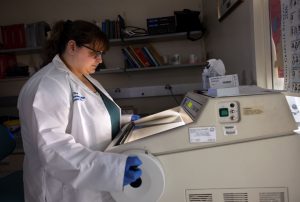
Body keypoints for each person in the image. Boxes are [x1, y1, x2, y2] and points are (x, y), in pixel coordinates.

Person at [17, 20, 142, 202]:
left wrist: (126, 121)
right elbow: (54, 148)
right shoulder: (48, 84)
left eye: (101, 54)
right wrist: (111, 169)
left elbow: (88, 117)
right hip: (63, 191)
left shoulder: (84, 77)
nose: (100, 60)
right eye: (94, 53)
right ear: (72, 46)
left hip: (93, 183)